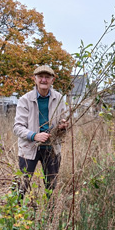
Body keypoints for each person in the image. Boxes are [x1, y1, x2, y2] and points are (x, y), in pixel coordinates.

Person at [13, 65, 71, 199]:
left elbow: (65, 122)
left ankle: (50, 217)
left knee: (51, 187)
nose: (43, 80)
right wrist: (34, 136)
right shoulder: (25, 100)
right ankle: (14, 216)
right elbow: (17, 127)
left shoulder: (59, 99)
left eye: (47, 77)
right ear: (35, 79)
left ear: (52, 80)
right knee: (21, 186)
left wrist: (64, 126)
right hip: (29, 148)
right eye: (40, 77)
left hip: (52, 148)